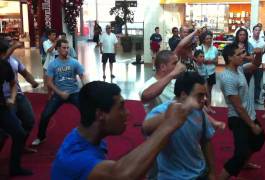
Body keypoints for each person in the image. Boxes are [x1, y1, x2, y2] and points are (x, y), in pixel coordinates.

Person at [51, 81, 198, 179]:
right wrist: (169, 124)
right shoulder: (75, 159)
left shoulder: (85, 137)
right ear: (100, 114)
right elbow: (123, 174)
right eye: (121, 107)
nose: (128, 113)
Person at [142, 72, 216, 180]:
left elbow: (206, 141)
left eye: (204, 95)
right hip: (172, 176)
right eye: (200, 95)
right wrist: (171, 115)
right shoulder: (162, 111)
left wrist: (212, 172)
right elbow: (145, 128)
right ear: (183, 95)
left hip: (200, 173)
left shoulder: (199, 111)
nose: (204, 99)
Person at [219, 44, 265, 179]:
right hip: (239, 118)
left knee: (259, 139)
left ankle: (245, 163)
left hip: (248, 114)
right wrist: (252, 125)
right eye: (239, 54)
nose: (243, 56)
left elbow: (256, 64)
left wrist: (259, 54)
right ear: (230, 57)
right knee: (241, 154)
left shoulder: (238, 69)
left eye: (242, 53)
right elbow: (238, 107)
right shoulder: (228, 78)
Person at [32, 39, 86, 146]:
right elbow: (49, 82)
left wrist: (86, 89)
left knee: (87, 112)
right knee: (45, 115)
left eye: (67, 48)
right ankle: (41, 137)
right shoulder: (53, 65)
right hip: (58, 93)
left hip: (74, 92)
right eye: (64, 48)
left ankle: (88, 135)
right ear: (57, 49)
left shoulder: (74, 62)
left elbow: (82, 76)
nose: (66, 50)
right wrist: (59, 93)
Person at [0, 40, 33, 176]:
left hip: (2, 106)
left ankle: (15, 168)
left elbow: (13, 83)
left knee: (19, 133)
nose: (4, 56)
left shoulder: (5, 66)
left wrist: (12, 98)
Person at [1, 37, 39, 153]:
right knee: (5, 130)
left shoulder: (14, 60)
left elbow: (25, 73)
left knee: (29, 121)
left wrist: (33, 82)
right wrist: (14, 46)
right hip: (5, 99)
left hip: (18, 95)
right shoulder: (3, 61)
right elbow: (4, 59)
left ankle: (21, 147)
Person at [196, 31, 219, 110]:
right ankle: (200, 106)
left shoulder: (215, 49)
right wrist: (204, 61)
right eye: (207, 38)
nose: (209, 40)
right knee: (201, 90)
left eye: (210, 38)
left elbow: (216, 62)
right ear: (203, 40)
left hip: (211, 72)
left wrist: (209, 61)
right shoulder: (198, 48)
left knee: (209, 90)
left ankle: (209, 106)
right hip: (201, 73)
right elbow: (196, 60)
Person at [249, 25, 265, 104]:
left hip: (259, 65)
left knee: (258, 83)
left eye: (259, 30)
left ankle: (256, 98)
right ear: (253, 31)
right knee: (246, 82)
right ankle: (246, 98)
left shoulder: (263, 42)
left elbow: (264, 54)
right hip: (249, 65)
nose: (257, 31)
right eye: (256, 30)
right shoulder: (248, 41)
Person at [43, 29, 58, 98]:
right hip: (49, 65)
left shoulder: (58, 42)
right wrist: (55, 43)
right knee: (49, 81)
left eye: (55, 35)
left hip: (58, 64)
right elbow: (49, 50)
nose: (54, 36)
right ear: (49, 36)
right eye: (53, 35)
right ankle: (49, 95)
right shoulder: (45, 43)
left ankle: (56, 94)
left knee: (57, 80)